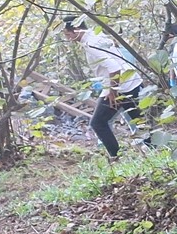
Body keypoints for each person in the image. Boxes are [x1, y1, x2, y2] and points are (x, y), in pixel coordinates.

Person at [62, 15, 146, 159]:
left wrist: (113, 91)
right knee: (140, 122)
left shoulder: (90, 44)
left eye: (68, 35)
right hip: (131, 81)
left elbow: (114, 67)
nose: (68, 39)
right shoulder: (96, 34)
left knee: (98, 123)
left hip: (121, 86)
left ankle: (115, 155)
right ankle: (154, 149)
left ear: (76, 30)